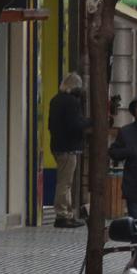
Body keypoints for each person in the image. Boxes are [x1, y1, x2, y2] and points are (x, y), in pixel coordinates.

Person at [48, 73, 90, 228]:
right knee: (65, 183)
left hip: (57, 146)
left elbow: (51, 125)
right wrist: (89, 122)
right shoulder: (72, 102)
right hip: (68, 147)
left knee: (65, 181)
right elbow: (76, 124)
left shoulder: (55, 100)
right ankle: (63, 215)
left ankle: (67, 213)